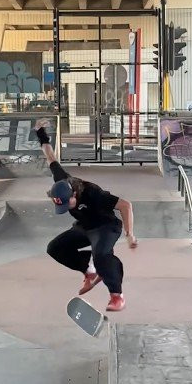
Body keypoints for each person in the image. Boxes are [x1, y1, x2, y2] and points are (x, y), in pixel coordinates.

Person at [40, 121, 137, 312]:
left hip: (106, 226)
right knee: (54, 248)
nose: (68, 207)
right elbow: (49, 155)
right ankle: (89, 271)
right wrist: (40, 132)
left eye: (69, 204)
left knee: (102, 255)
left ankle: (117, 296)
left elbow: (126, 206)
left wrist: (129, 234)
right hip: (84, 226)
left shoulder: (93, 193)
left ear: (74, 194)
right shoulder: (61, 181)